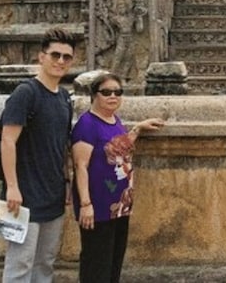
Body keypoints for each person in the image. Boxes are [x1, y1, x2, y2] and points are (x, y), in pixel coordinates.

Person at [0, 27, 77, 283]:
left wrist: (66, 182)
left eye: (67, 57)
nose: (61, 61)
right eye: (55, 55)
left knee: (45, 264)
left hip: (53, 195)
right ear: (41, 57)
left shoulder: (65, 98)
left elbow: (62, 144)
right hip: (23, 196)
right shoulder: (26, 93)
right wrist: (12, 187)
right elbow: (7, 140)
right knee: (20, 265)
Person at [71, 72, 165, 283]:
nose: (113, 96)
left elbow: (118, 148)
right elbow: (80, 165)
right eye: (106, 92)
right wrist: (86, 204)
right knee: (97, 265)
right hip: (98, 206)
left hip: (120, 205)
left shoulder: (114, 120)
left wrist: (137, 129)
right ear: (94, 95)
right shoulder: (87, 124)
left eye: (117, 92)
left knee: (113, 263)